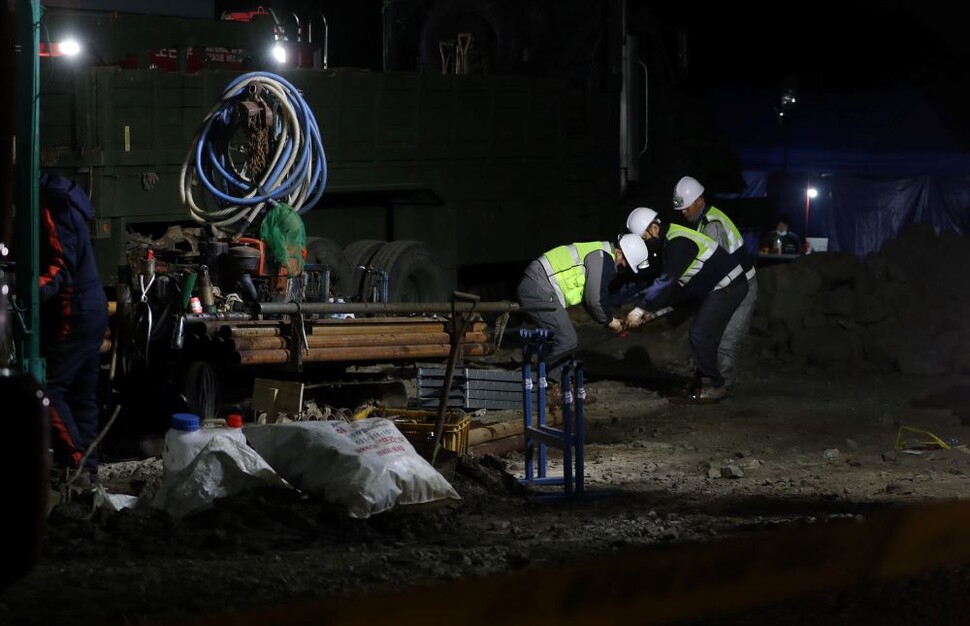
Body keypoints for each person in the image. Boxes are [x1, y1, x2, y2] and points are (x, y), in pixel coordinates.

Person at [623, 207, 748, 401]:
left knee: (699, 333)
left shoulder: (677, 243)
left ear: (654, 228)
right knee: (705, 335)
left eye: (645, 239)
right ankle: (702, 382)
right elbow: (677, 286)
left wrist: (641, 309)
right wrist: (651, 310)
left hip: (728, 285)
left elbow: (665, 282)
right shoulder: (669, 242)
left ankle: (714, 385)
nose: (646, 244)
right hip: (717, 286)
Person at [38, 173, 109, 491]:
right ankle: (88, 476)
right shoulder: (66, 195)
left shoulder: (53, 202)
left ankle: (77, 464)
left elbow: (60, 266)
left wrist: (22, 292)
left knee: (49, 390)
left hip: (74, 309)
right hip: (92, 306)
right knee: (82, 395)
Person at [515, 234, 648, 373]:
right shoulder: (603, 258)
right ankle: (552, 386)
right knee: (567, 340)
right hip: (539, 287)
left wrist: (610, 321)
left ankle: (555, 382)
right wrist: (610, 321)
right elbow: (595, 298)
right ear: (619, 253)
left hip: (538, 284)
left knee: (563, 339)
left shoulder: (599, 253)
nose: (620, 270)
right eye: (623, 265)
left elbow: (589, 298)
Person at [673, 175, 758, 392]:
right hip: (731, 284)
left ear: (699, 200)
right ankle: (709, 382)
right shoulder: (704, 220)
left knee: (727, 339)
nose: (684, 212)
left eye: (686, 207)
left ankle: (721, 387)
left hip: (741, 285)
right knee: (710, 334)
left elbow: (714, 271)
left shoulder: (712, 226)